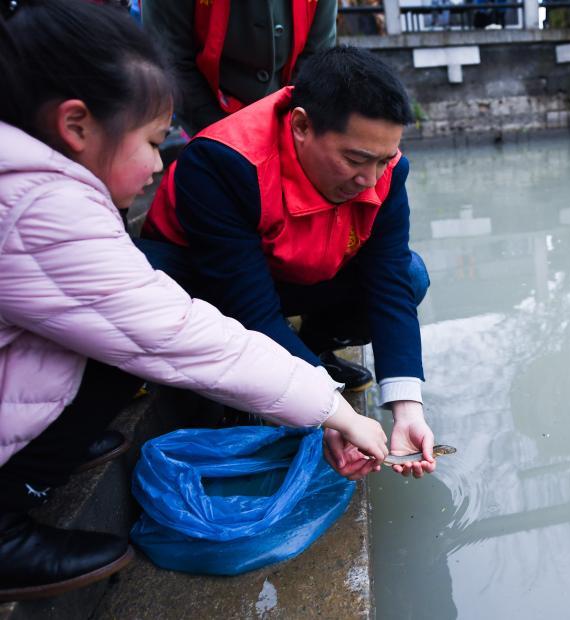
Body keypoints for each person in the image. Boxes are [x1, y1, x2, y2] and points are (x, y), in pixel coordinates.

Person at [0, 0, 387, 601]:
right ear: (76, 126)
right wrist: (337, 411)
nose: (159, 164)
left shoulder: (28, 178)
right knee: (125, 341)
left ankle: (57, 436)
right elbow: (175, 336)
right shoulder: (41, 208)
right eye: (152, 142)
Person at [142, 46, 438, 482]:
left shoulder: (388, 170)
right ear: (300, 125)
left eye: (384, 159)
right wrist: (329, 408)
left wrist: (407, 406)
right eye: (355, 160)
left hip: (298, 270)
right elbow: (248, 306)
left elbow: (389, 279)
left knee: (410, 275)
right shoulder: (222, 162)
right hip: (213, 279)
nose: (370, 180)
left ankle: (314, 349)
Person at [142, 0, 338, 134]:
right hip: (211, 122)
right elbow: (174, 62)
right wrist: (224, 138)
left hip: (288, 123)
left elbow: (316, 58)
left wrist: (289, 129)